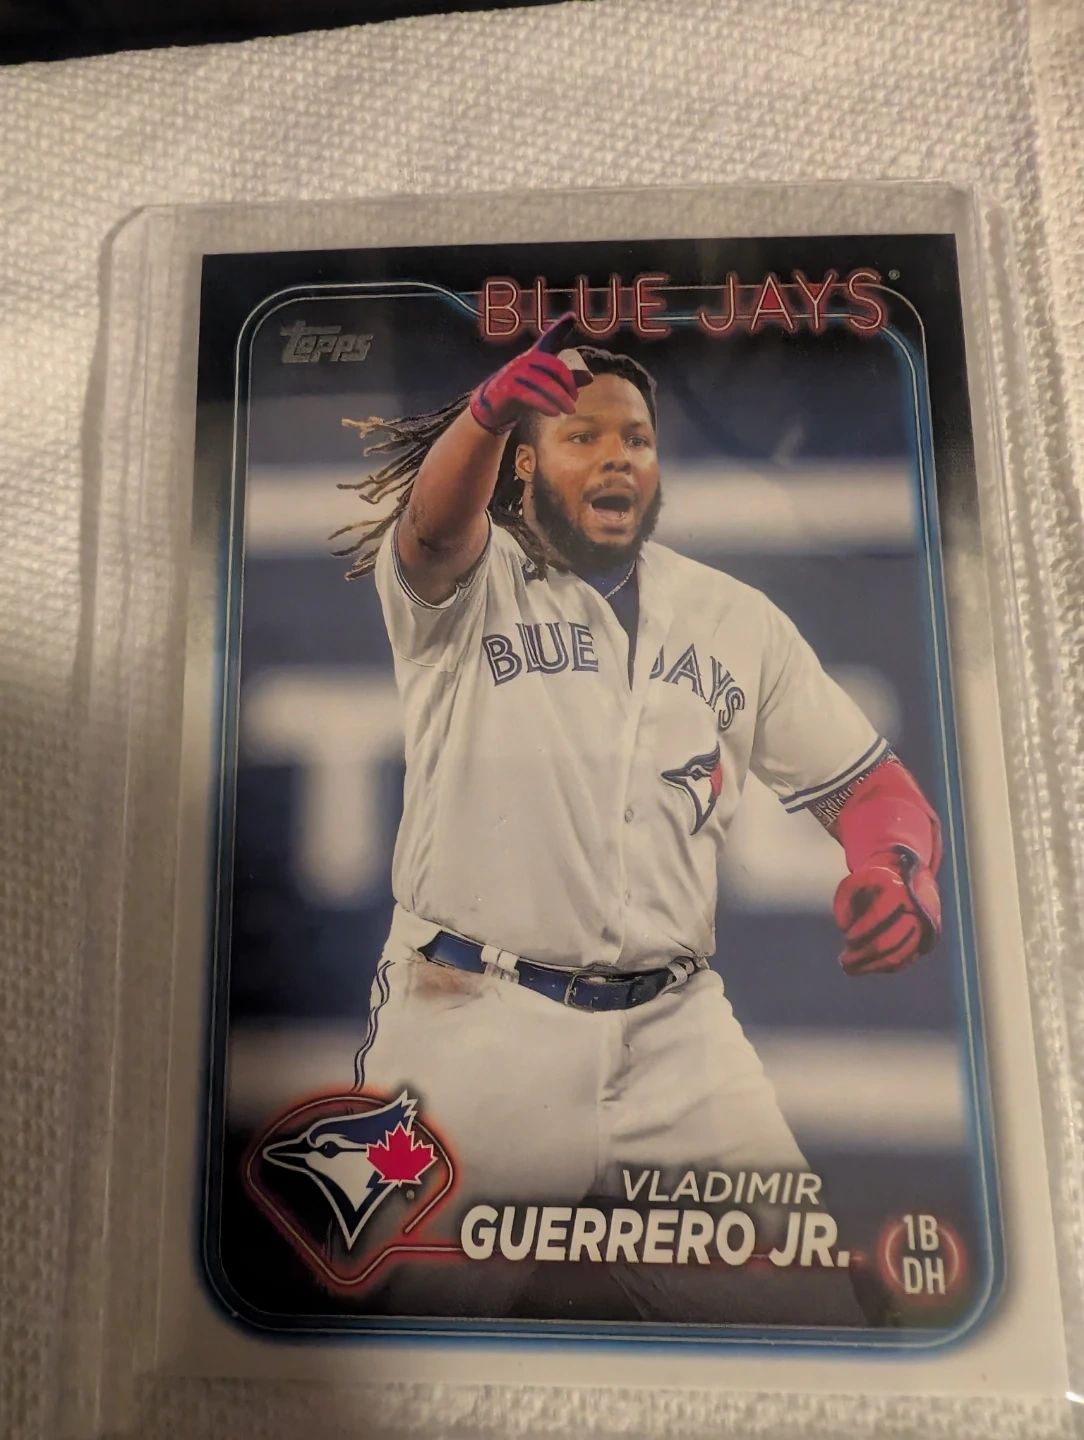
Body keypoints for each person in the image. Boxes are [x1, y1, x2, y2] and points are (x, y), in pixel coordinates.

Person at [331, 315, 943, 1324]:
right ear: (523, 464)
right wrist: (484, 416)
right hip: (476, 1021)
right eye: (582, 435)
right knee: (393, 1345)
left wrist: (896, 870)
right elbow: (431, 532)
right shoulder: (470, 587)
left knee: (812, 1324)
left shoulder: (734, 618)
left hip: (676, 1033)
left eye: (637, 439)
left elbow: (873, 790)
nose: (617, 456)